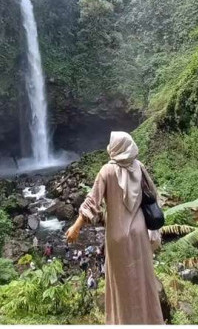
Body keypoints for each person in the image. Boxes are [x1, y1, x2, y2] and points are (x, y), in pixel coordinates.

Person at [65, 131, 164, 325]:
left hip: (117, 236)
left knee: (121, 284)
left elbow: (92, 202)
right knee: (143, 279)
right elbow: (152, 195)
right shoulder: (139, 167)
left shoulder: (107, 171)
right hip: (139, 233)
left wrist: (76, 226)